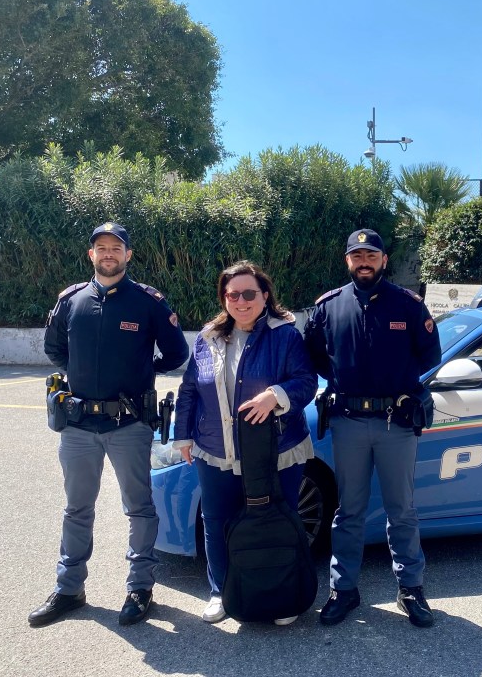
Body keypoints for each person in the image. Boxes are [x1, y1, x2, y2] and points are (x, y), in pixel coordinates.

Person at [30, 222, 189, 627]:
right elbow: (54, 350)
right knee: (76, 508)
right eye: (101, 248)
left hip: (129, 425)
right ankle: (69, 589)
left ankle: (140, 588)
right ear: (91, 255)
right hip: (79, 425)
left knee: (139, 508)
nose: (108, 254)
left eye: (116, 248)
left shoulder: (148, 301)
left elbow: (175, 353)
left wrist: (142, 369)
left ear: (128, 255)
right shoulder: (72, 300)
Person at [303, 229, 442, 628]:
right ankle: (343, 589)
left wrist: (398, 384)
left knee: (402, 511)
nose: (364, 261)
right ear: (347, 261)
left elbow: (429, 357)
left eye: (371, 255)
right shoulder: (329, 307)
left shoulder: (408, 305)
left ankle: (411, 589)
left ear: (384, 260)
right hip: (348, 422)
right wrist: (345, 381)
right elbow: (314, 355)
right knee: (349, 512)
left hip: (395, 422)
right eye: (357, 255)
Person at [173, 261, 317, 625]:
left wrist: (276, 395)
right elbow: (190, 389)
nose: (241, 301)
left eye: (249, 293)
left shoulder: (284, 335)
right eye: (232, 294)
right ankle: (221, 591)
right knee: (217, 520)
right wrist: (183, 435)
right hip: (215, 450)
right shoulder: (207, 338)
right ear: (224, 298)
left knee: (278, 518)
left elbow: (306, 381)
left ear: (264, 295)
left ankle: (283, 596)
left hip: (277, 451)